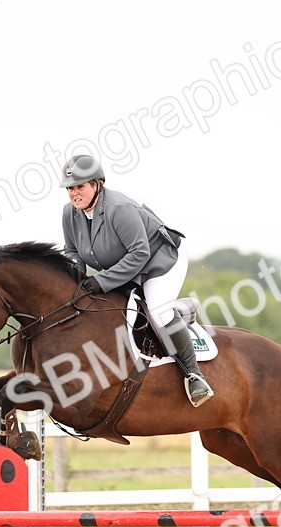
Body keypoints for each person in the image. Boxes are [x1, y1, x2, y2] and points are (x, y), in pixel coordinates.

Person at [59, 154, 214, 407]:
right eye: (70, 188)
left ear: (98, 184)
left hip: (160, 260)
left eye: (80, 186)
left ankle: (194, 375)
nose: (74, 193)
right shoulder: (69, 214)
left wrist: (102, 281)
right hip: (125, 266)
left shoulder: (120, 209)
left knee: (158, 309)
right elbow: (72, 251)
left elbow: (140, 253)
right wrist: (75, 278)